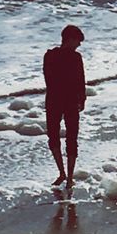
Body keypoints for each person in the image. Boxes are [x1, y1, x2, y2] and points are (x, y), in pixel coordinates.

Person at [43, 24, 85, 190]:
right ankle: (67, 175)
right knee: (70, 137)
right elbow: (80, 80)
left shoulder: (50, 55)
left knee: (55, 135)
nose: (79, 45)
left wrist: (80, 98)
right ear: (71, 39)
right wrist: (81, 99)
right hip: (68, 99)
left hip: (55, 98)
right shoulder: (75, 57)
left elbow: (48, 77)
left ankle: (65, 174)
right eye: (77, 41)